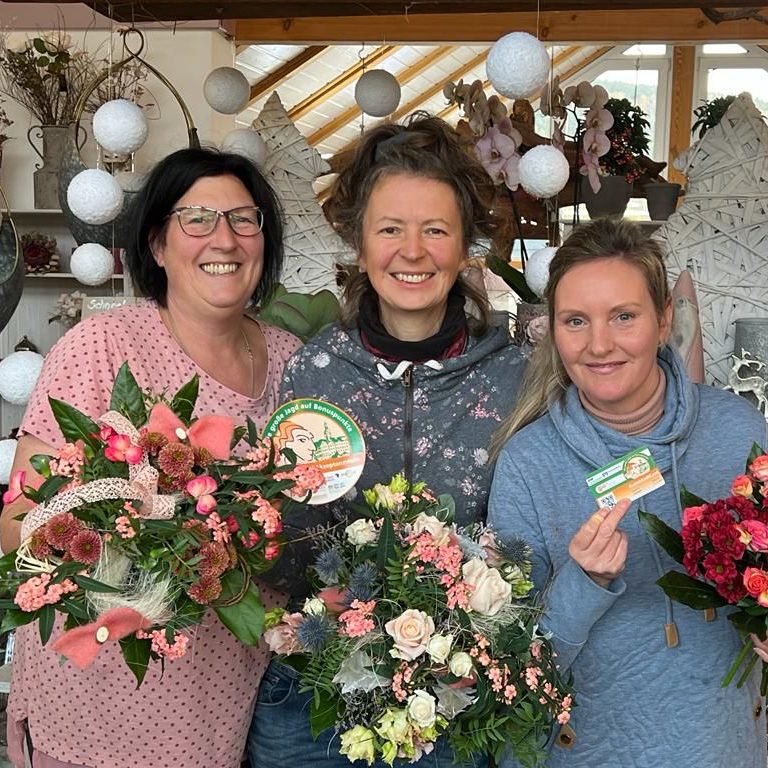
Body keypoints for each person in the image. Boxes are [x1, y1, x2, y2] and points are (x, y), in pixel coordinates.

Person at [0, 147, 301, 768]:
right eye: (196, 219)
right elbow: (14, 529)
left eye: (245, 219)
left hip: (225, 708)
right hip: (94, 710)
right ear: (157, 245)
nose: (225, 238)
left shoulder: (293, 360)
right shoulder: (103, 347)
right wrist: (143, 535)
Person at [247, 114, 526, 767]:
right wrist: (261, 503)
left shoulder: (516, 378)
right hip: (312, 699)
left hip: (453, 704)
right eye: (390, 229)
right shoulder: (314, 370)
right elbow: (286, 564)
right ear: (360, 241)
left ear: (464, 247)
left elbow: (529, 544)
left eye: (435, 230)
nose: (412, 251)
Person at [487, 218, 768, 768]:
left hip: (723, 744)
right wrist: (584, 583)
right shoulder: (528, 463)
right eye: (575, 321)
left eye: (624, 316)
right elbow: (510, 667)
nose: (599, 345)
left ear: (664, 320)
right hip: (588, 749)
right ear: (552, 329)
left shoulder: (739, 431)